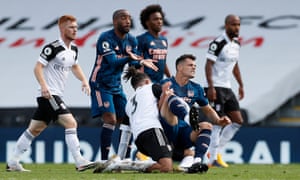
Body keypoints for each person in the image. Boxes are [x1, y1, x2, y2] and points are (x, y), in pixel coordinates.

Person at [6, 15, 97, 172]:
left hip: (55, 95)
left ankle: (13, 161)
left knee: (34, 129)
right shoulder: (53, 47)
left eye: (76, 27)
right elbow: (37, 67)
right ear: (62, 29)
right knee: (71, 123)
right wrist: (44, 86)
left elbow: (74, 65)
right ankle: (79, 161)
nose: (75, 30)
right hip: (49, 95)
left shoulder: (73, 49)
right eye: (71, 27)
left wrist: (84, 80)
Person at [89, 9, 158, 161]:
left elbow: (132, 61)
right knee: (110, 120)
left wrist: (140, 62)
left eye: (129, 18)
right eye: (123, 18)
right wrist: (130, 58)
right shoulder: (105, 38)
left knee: (127, 119)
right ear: (114, 22)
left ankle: (124, 158)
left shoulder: (132, 40)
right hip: (100, 84)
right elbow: (113, 62)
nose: (127, 21)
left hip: (116, 85)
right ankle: (104, 160)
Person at [160, 54, 231, 173]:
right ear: (179, 67)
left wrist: (218, 121)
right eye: (190, 65)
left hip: (184, 133)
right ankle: (188, 118)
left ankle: (197, 161)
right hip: (166, 128)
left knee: (206, 126)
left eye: (195, 66)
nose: (194, 68)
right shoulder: (165, 84)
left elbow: (207, 109)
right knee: (170, 97)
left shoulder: (196, 88)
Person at [204, 14, 244, 168]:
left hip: (227, 87)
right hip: (216, 87)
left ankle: (217, 152)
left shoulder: (236, 44)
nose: (237, 27)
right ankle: (212, 159)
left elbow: (235, 65)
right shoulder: (218, 43)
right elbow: (208, 64)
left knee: (237, 121)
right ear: (226, 25)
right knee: (217, 123)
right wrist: (211, 86)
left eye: (239, 24)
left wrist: (240, 84)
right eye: (234, 24)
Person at [123, 66, 173, 172]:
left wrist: (121, 157)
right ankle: (132, 166)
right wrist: (166, 94)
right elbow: (170, 99)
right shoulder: (151, 87)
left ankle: (129, 164)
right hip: (151, 130)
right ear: (146, 81)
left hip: (139, 140)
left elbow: (125, 134)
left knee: (167, 158)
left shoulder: (128, 104)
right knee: (166, 167)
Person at [136, 4, 171, 83]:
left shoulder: (164, 39)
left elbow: (163, 61)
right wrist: (141, 82)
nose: (159, 22)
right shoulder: (141, 39)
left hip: (160, 82)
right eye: (155, 19)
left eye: (161, 19)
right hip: (147, 83)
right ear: (147, 22)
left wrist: (171, 78)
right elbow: (135, 62)